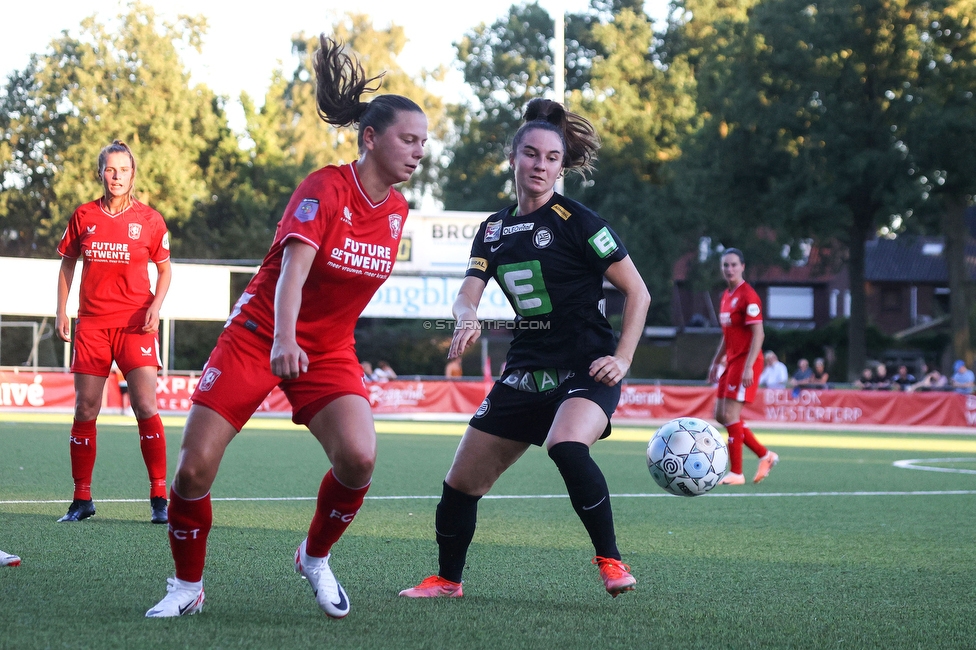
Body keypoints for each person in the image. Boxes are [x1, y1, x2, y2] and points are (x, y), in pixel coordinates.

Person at [146, 36, 428, 619]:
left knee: (359, 457)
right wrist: (281, 339)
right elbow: (293, 275)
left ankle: (314, 557)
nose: (418, 151)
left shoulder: (398, 212)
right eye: (408, 138)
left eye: (423, 142)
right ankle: (186, 586)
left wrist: (314, 345)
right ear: (370, 138)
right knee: (193, 468)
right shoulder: (325, 188)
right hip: (261, 335)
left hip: (325, 351)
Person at [399, 98, 650, 600]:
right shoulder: (492, 229)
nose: (541, 165)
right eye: (531, 154)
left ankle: (611, 560)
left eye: (552, 158)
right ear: (514, 159)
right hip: (526, 370)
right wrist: (467, 315)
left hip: (585, 368)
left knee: (565, 444)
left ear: (562, 165)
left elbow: (638, 292)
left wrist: (622, 359)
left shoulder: (579, 221)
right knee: (461, 483)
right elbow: (469, 290)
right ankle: (448, 581)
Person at [55, 140, 172, 525]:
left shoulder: (151, 220)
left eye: (124, 169)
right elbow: (68, 265)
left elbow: (166, 269)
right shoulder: (84, 215)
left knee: (145, 406)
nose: (117, 176)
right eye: (110, 169)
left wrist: (155, 304)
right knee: (85, 408)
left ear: (132, 174)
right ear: (100, 172)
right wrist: (62, 312)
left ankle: (159, 498)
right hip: (92, 325)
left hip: (136, 326)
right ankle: (81, 499)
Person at [707, 249, 779, 486]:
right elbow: (726, 336)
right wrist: (716, 361)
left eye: (734, 265)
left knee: (731, 416)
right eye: (725, 265)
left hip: (746, 362)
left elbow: (759, 333)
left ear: (742, 266)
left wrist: (748, 367)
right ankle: (765, 455)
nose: (729, 269)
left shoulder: (748, 296)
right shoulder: (727, 296)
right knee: (721, 415)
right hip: (732, 361)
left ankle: (737, 472)